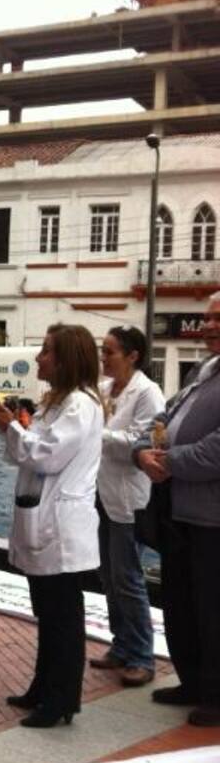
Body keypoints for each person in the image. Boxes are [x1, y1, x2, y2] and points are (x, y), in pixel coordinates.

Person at [0, 324, 103, 728]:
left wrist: (9, 427)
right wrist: (12, 428)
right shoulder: (57, 403)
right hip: (45, 518)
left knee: (62, 616)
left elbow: (46, 456)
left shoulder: (80, 405)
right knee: (48, 613)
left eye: (46, 351)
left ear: (66, 359)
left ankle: (61, 699)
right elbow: (27, 452)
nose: (38, 358)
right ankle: (44, 686)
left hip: (61, 525)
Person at [133, 292, 220, 726]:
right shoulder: (202, 373)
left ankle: (216, 696)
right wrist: (142, 451)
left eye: (218, 318)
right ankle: (193, 682)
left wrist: (168, 462)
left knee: (213, 609)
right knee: (182, 604)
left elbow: (215, 451)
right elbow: (162, 421)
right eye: (207, 318)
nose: (209, 325)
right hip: (181, 513)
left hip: (213, 519)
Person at [91, 325, 163, 687]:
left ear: (133, 356)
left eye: (110, 351)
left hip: (128, 498)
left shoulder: (148, 393)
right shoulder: (104, 389)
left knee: (128, 578)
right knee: (108, 576)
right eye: (102, 350)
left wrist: (95, 432)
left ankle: (141, 656)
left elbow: (141, 441)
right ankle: (121, 644)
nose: (103, 357)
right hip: (100, 494)